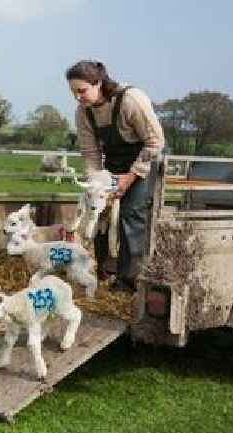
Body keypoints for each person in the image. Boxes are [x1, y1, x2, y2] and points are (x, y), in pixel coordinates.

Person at [65, 60, 165, 292]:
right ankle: (102, 271)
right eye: (73, 92)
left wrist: (130, 177)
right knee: (98, 213)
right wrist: (94, 184)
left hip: (143, 162)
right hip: (111, 164)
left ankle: (127, 281)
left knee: (130, 215)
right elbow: (90, 152)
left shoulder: (131, 100)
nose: (78, 97)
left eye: (82, 90)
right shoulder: (83, 112)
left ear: (98, 83)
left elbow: (155, 142)